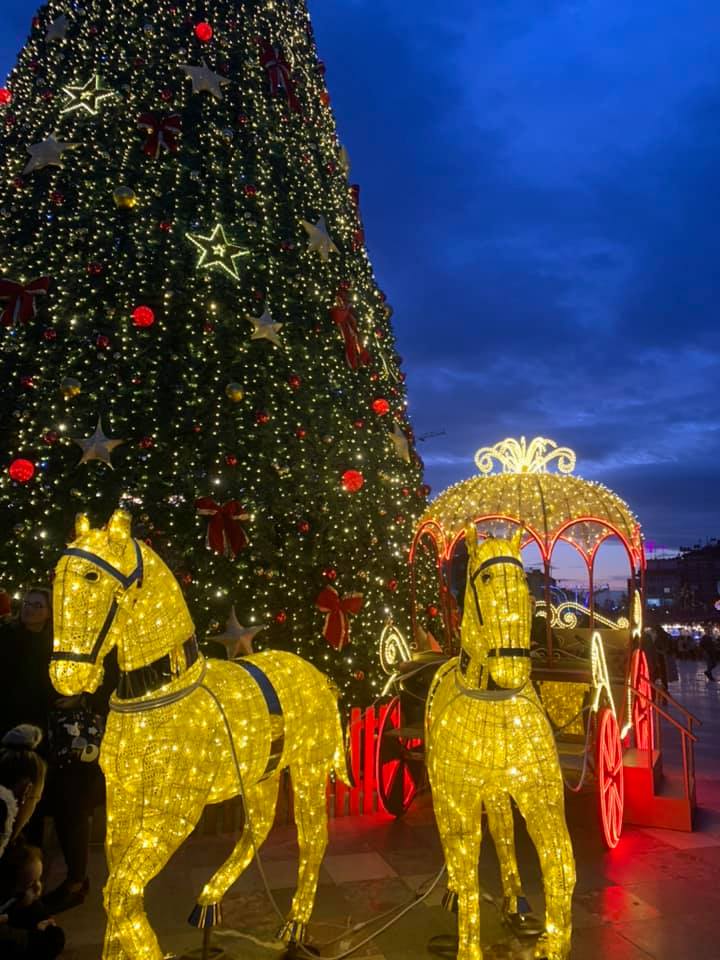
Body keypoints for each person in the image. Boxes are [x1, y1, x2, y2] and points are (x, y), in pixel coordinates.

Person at [0, 842, 64, 960]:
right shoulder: (7, 895)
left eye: (39, 879)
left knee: (53, 934)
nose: (38, 887)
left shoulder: (21, 895)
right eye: (30, 884)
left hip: (16, 910)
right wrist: (37, 933)